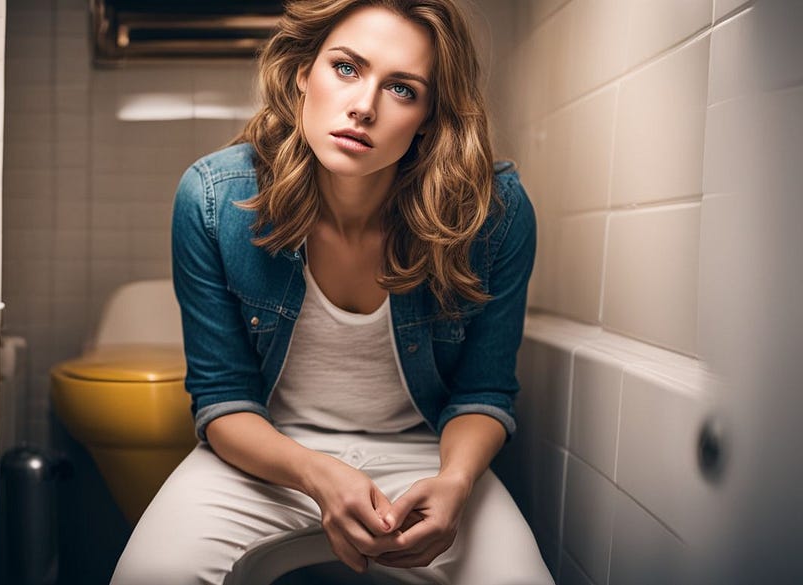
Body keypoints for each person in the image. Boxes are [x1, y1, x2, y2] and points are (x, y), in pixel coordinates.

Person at [113, 1, 552, 583]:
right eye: (346, 68)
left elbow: (484, 391)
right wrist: (317, 473)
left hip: (427, 454)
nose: (363, 107)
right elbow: (222, 401)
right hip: (265, 458)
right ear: (303, 73)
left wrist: (455, 482)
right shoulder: (214, 198)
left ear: (428, 115)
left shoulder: (493, 214)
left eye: (402, 89)